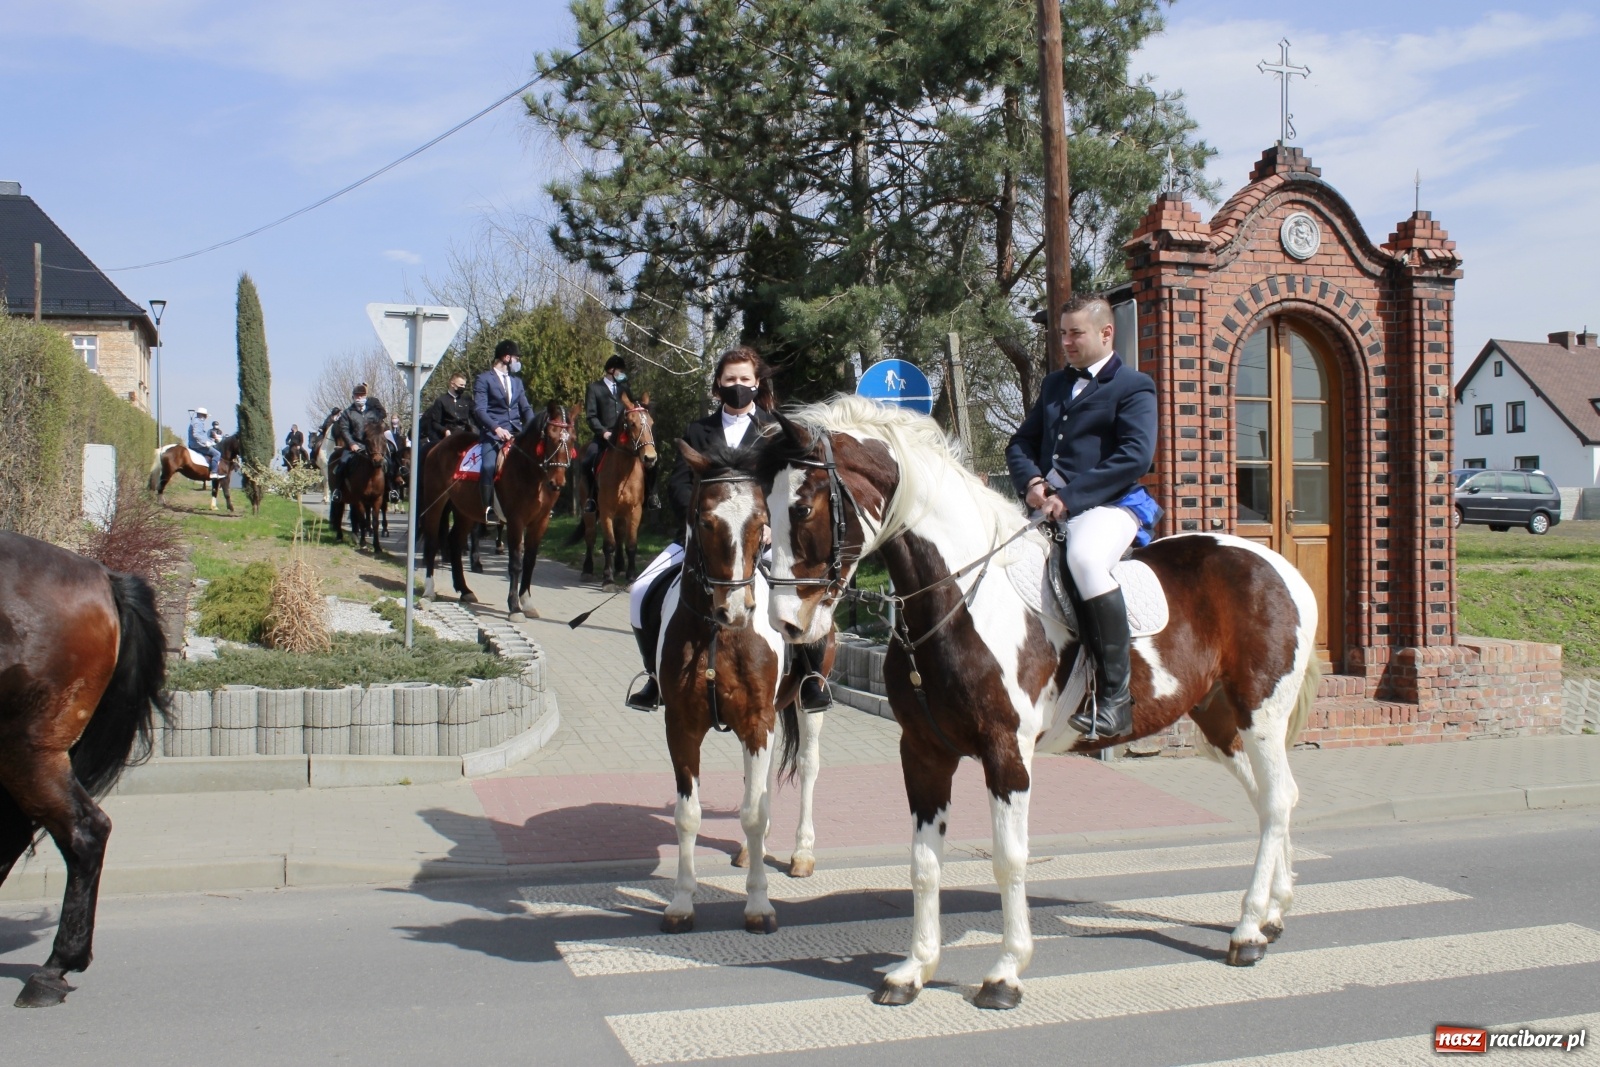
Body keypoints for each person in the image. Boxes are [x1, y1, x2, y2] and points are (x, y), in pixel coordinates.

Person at [626, 346, 830, 713]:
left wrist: (770, 524)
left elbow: (790, 487)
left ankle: (810, 676)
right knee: (641, 590)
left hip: (764, 538)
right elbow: (678, 484)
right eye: (730, 379)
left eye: (745, 379)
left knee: (801, 596)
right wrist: (699, 521)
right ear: (718, 384)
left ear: (757, 383)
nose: (738, 385)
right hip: (705, 538)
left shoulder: (774, 430)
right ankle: (654, 678)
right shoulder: (698, 430)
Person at [1005, 293, 1160, 741]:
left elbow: (1135, 456)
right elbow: (1020, 443)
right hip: (1050, 502)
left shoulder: (1133, 386)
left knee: (1087, 561)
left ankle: (1115, 699)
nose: (1066, 342)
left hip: (1110, 504)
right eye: (1062, 333)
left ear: (1105, 333)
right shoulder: (1055, 384)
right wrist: (1032, 483)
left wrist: (1068, 497)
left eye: (1076, 333)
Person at [472, 339, 536, 525]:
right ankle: (488, 508)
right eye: (516, 358)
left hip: (517, 432)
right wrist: (496, 428)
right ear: (506, 358)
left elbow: (525, 408)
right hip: (493, 434)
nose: (518, 362)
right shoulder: (484, 379)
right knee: (488, 466)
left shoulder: (517, 382)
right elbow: (480, 410)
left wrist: (533, 429)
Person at [581, 354, 629, 514]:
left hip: (624, 438)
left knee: (648, 459)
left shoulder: (625, 388)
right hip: (605, 438)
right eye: (620, 371)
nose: (622, 374)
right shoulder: (594, 388)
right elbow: (591, 416)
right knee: (588, 460)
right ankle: (591, 498)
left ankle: (650, 495)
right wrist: (603, 432)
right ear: (611, 370)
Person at [329, 383, 388, 501]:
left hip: (372, 446)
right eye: (357, 396)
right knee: (342, 463)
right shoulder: (348, 413)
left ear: (366, 397)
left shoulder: (373, 413)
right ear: (353, 397)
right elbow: (344, 430)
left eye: (362, 396)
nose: (360, 398)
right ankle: (338, 491)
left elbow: (379, 427)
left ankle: (391, 490)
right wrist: (351, 444)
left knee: (388, 463)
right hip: (355, 445)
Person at [188, 407, 220, 477]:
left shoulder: (195, 421)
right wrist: (205, 443)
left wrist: (211, 441)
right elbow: (196, 434)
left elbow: (202, 435)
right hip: (198, 445)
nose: (206, 417)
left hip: (194, 444)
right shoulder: (198, 422)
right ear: (202, 415)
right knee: (217, 454)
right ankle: (214, 472)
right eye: (205, 415)